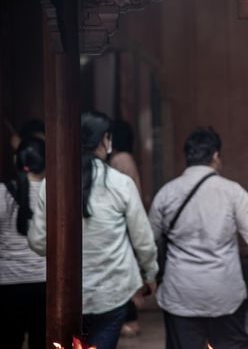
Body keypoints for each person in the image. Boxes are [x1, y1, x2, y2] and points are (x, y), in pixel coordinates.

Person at [28, 111, 158, 349]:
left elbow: (37, 241)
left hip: (67, 294)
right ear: (105, 140)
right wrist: (150, 275)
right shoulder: (120, 184)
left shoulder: (52, 184)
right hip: (113, 293)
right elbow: (144, 241)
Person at [148, 127, 248, 349]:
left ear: (188, 157)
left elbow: (149, 242)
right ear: (216, 156)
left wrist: (147, 278)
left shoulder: (167, 193)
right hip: (223, 295)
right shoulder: (233, 192)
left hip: (180, 294)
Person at [0, 137, 46, 349]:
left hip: (8, 283)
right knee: (40, 340)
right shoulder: (53, 193)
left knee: (10, 339)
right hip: (43, 282)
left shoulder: (2, 193)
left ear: (15, 160)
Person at [108, 119, 143, 337]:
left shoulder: (121, 159)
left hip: (124, 222)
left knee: (123, 273)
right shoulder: (125, 158)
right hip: (126, 221)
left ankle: (129, 319)